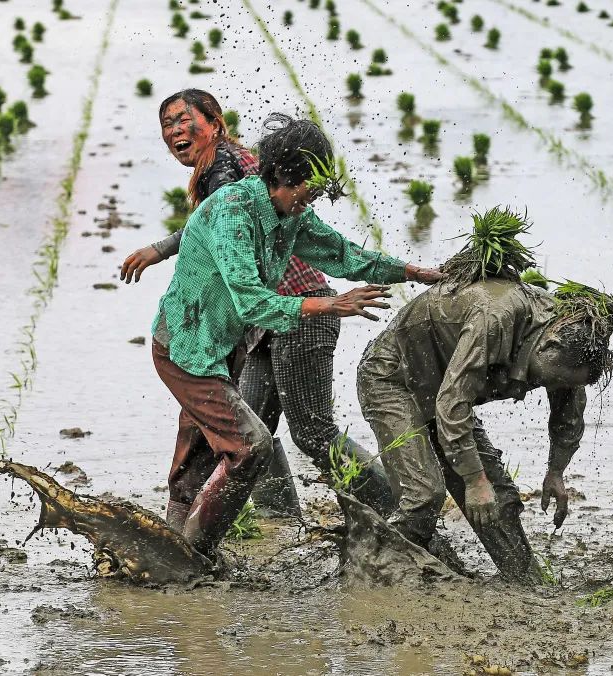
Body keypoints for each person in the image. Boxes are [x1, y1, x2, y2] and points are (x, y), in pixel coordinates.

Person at [149, 111, 441, 554]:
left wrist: (413, 271)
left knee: (205, 450)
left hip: (226, 346)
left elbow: (342, 253)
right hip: (186, 346)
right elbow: (249, 298)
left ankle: (172, 544)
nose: (311, 201)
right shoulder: (233, 213)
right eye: (308, 190)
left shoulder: (291, 215)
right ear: (282, 176)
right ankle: (192, 554)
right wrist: (330, 304)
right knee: (250, 447)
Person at [120, 90, 397, 519]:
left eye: (184, 120)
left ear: (215, 124)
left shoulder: (224, 168)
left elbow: (223, 227)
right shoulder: (238, 165)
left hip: (292, 310)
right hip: (265, 320)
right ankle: (282, 522)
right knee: (251, 432)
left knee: (311, 432)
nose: (175, 130)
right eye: (167, 124)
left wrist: (159, 249)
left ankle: (394, 510)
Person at [356, 221, 613, 582]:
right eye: (551, 379)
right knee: (425, 494)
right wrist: (473, 480)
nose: (548, 386)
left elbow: (568, 410)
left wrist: (556, 470)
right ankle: (369, 576)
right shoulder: (496, 317)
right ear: (548, 347)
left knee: (498, 498)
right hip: (394, 377)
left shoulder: (571, 341)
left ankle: (525, 582)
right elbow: (453, 402)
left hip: (443, 387)